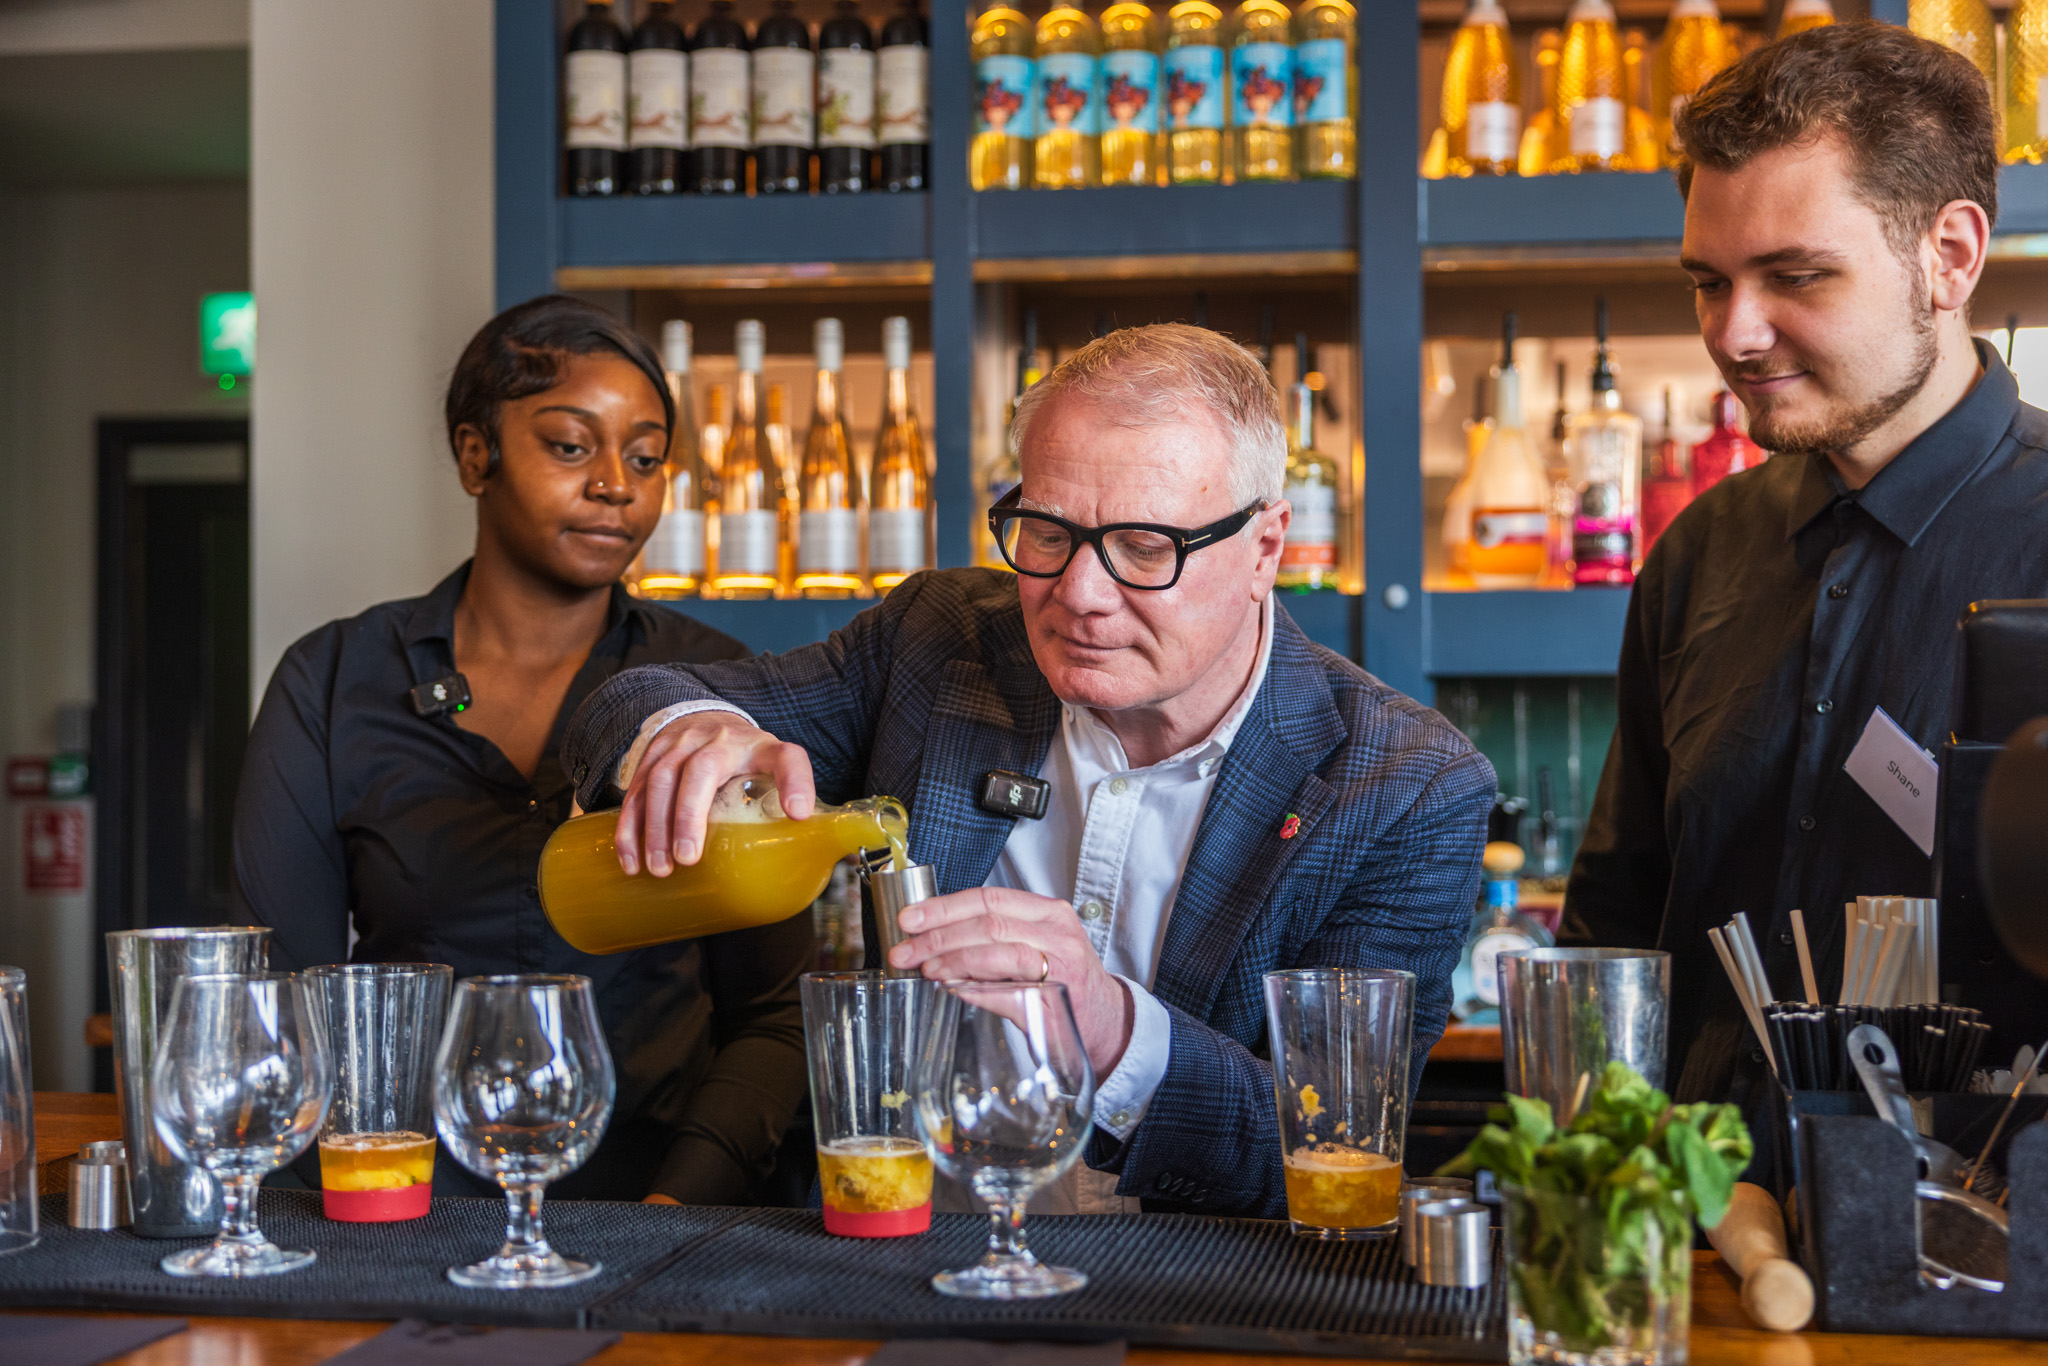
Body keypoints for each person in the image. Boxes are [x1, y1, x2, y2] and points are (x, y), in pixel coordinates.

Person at [561, 323, 1495, 1218]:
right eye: (1047, 532)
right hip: (904, 1259)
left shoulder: (1405, 786)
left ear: (1266, 548)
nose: (1080, 595)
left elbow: (1334, 1145)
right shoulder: (943, 639)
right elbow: (632, 696)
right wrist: (696, 729)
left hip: (1197, 1294)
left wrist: (1111, 1025)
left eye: (1143, 547)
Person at [231, 295, 811, 1205]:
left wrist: (671, 1211)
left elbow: (773, 1017)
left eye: (648, 458)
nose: (618, 484)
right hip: (401, 1212)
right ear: (476, 456)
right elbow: (284, 1005)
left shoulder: (715, 685)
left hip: (662, 1214)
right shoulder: (334, 681)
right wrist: (361, 1214)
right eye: (572, 446)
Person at [1567, 23, 2048, 1106]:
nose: (1735, 335)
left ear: (1949, 256)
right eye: (1706, 281)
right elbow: (1615, 923)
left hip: (1981, 1243)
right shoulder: (1696, 552)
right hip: (1694, 1234)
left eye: (1794, 276)